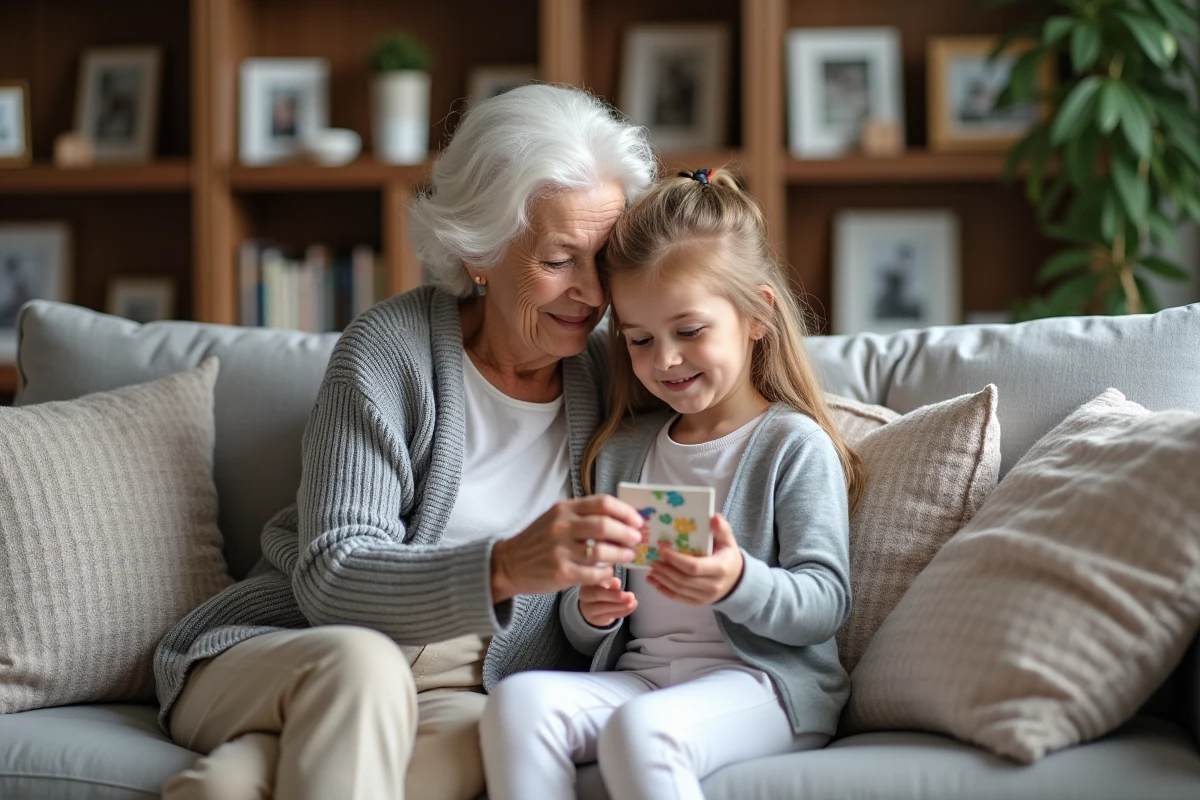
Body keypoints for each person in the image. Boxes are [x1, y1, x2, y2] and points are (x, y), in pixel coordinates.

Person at [154, 84, 658, 800]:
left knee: (233, 790)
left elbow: (733, 377)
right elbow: (331, 576)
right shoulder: (389, 350)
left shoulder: (613, 375)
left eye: (602, 260)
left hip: (465, 686)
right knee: (364, 667)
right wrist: (507, 567)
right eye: (558, 260)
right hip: (290, 652)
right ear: (480, 248)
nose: (590, 292)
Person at [479, 169, 865, 800]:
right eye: (639, 339)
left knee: (640, 732)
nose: (665, 360)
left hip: (760, 685)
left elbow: (825, 603)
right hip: (644, 679)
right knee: (519, 704)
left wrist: (738, 580)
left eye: (689, 331)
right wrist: (590, 611)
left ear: (756, 316)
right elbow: (583, 621)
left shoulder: (791, 446)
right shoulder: (624, 451)